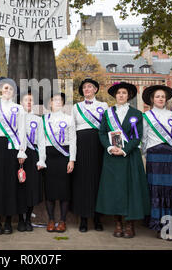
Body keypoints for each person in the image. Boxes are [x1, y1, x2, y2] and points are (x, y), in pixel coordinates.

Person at [96, 82, 150, 238]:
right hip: (112, 157)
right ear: (115, 95)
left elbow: (138, 136)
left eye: (124, 93)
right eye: (118, 93)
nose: (121, 95)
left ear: (129, 96)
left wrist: (125, 150)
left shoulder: (137, 114)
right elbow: (102, 133)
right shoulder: (108, 113)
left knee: (131, 190)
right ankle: (118, 224)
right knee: (114, 190)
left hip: (130, 157)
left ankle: (129, 225)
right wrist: (109, 148)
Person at [0, 77, 27, 235]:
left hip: (13, 148)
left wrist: (22, 151)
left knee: (10, 185)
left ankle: (8, 221)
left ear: (14, 92)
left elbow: (22, 130)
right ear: (0, 90)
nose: (7, 91)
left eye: (10, 88)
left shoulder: (19, 108)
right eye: (5, 88)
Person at [141, 85, 172, 240]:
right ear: (152, 99)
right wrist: (146, 154)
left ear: (166, 99)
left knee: (171, 192)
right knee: (157, 192)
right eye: (157, 96)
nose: (160, 99)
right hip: (155, 156)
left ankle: (171, 228)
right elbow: (144, 138)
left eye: (163, 97)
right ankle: (159, 227)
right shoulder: (146, 116)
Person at [71, 78, 108, 232]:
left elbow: (107, 127)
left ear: (95, 90)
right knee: (82, 182)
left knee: (98, 180)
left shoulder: (104, 106)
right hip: (81, 146)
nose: (87, 89)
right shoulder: (75, 107)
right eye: (84, 87)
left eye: (90, 87)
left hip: (98, 146)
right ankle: (83, 219)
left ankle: (98, 218)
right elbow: (72, 131)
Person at [42, 92, 76, 233]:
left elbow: (73, 140)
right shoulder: (44, 119)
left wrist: (72, 160)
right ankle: (50, 220)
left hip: (64, 156)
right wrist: (42, 159)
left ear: (63, 103)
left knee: (64, 191)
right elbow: (41, 141)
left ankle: (62, 221)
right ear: (50, 103)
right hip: (49, 157)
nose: (56, 102)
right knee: (49, 191)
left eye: (59, 100)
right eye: (53, 100)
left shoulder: (69, 119)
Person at [17, 90, 46, 231]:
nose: (28, 102)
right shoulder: (14, 118)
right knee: (18, 187)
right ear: (21, 102)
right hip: (17, 155)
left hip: (33, 155)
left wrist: (41, 159)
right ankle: (20, 220)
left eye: (31, 100)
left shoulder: (38, 120)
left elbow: (41, 141)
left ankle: (28, 219)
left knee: (31, 188)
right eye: (26, 100)